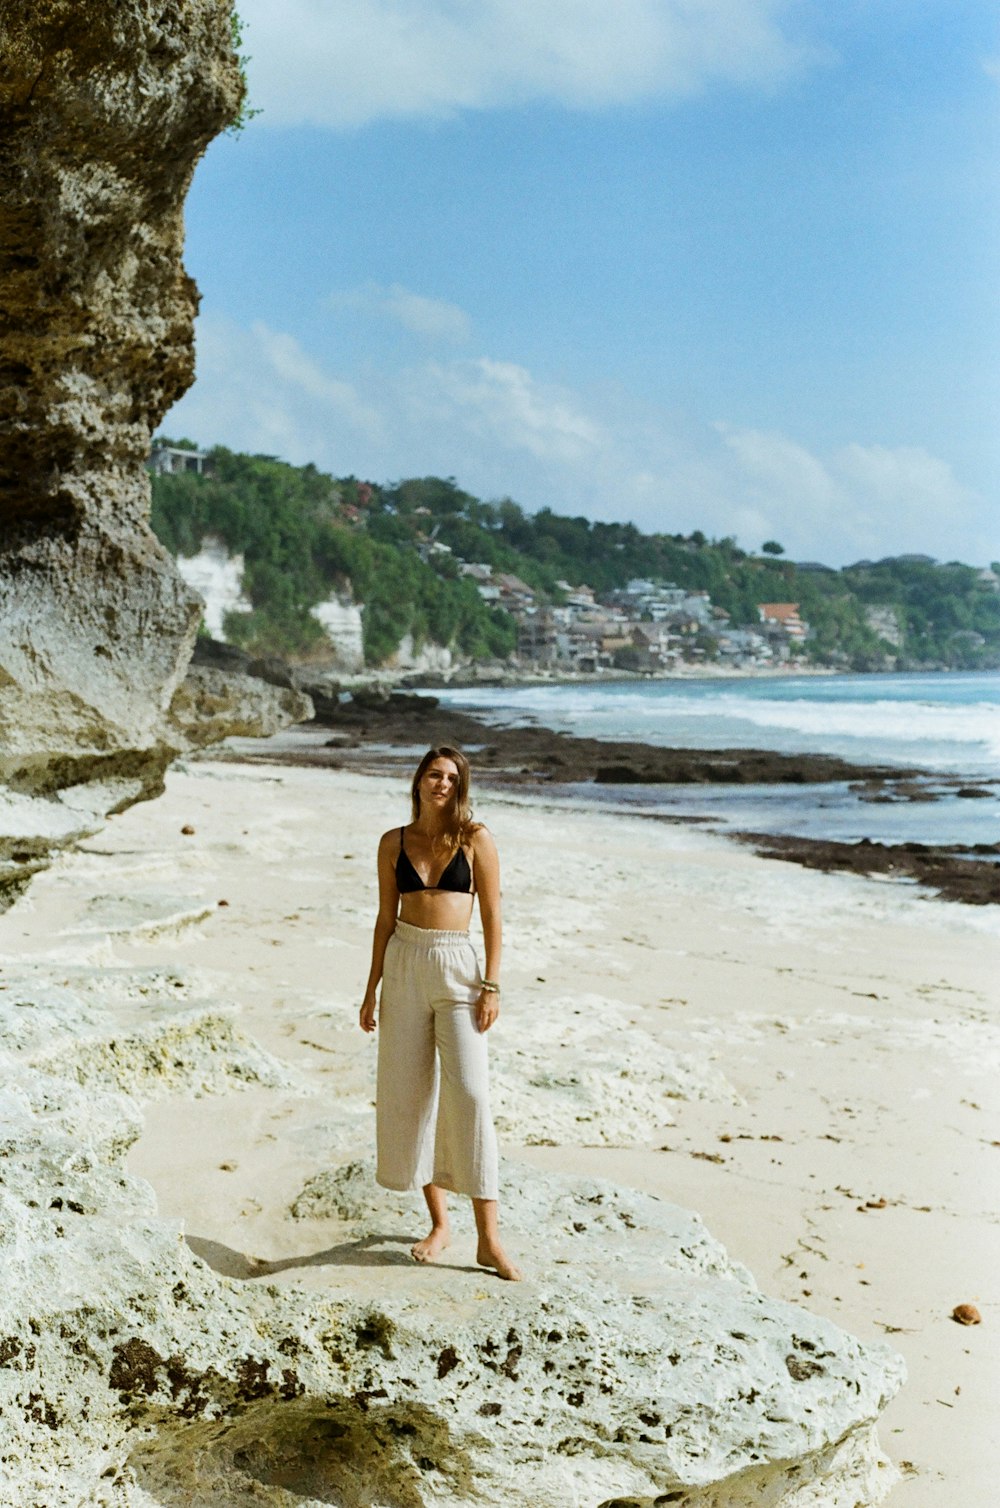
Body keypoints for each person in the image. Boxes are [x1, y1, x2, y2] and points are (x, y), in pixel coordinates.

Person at [359, 745, 521, 1281]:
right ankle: (439, 1224)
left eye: (452, 778)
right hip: (404, 963)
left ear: (461, 786)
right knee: (411, 1094)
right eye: (434, 775)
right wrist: (371, 988)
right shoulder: (392, 842)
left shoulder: (476, 840)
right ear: (419, 780)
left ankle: (489, 1240)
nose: (442, 784)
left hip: (458, 966)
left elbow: (494, 915)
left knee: (470, 1094)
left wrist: (492, 985)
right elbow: (386, 917)